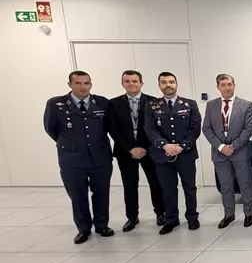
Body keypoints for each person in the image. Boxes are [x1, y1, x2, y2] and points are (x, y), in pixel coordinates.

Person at [44, 71, 114, 244]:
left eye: (86, 83)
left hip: (100, 157)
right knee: (77, 194)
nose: (83, 87)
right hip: (72, 158)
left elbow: (109, 126)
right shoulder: (56, 104)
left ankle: (101, 225)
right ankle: (83, 228)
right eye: (78, 83)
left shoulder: (102, 103)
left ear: (91, 84)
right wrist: (70, 144)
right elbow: (51, 128)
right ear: (70, 85)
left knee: (101, 193)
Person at [144, 72, 202, 235]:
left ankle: (192, 217)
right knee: (167, 189)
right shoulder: (152, 105)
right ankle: (171, 219)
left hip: (185, 154)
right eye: (164, 82)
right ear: (159, 85)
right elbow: (150, 128)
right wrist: (165, 146)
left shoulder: (189, 104)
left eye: (171, 82)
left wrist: (181, 146)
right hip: (162, 155)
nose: (168, 85)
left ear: (176, 84)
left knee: (189, 187)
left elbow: (195, 128)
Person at [108, 70, 165, 232]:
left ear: (141, 83)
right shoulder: (114, 104)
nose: (131, 84)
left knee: (156, 182)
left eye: (135, 81)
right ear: (122, 84)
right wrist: (130, 148)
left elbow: (157, 128)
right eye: (127, 81)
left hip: (150, 150)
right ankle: (132, 217)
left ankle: (161, 213)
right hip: (126, 152)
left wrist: (145, 147)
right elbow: (113, 129)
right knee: (129, 185)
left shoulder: (154, 102)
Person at [202, 74, 252, 229]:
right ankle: (228, 214)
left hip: (239, 152)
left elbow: (248, 129)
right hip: (219, 153)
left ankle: (248, 213)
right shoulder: (211, 105)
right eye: (223, 84)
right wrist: (220, 147)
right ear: (218, 87)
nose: (227, 87)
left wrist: (233, 146)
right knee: (226, 186)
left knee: (245, 184)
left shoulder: (245, 105)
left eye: (229, 84)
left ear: (234, 85)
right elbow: (206, 128)